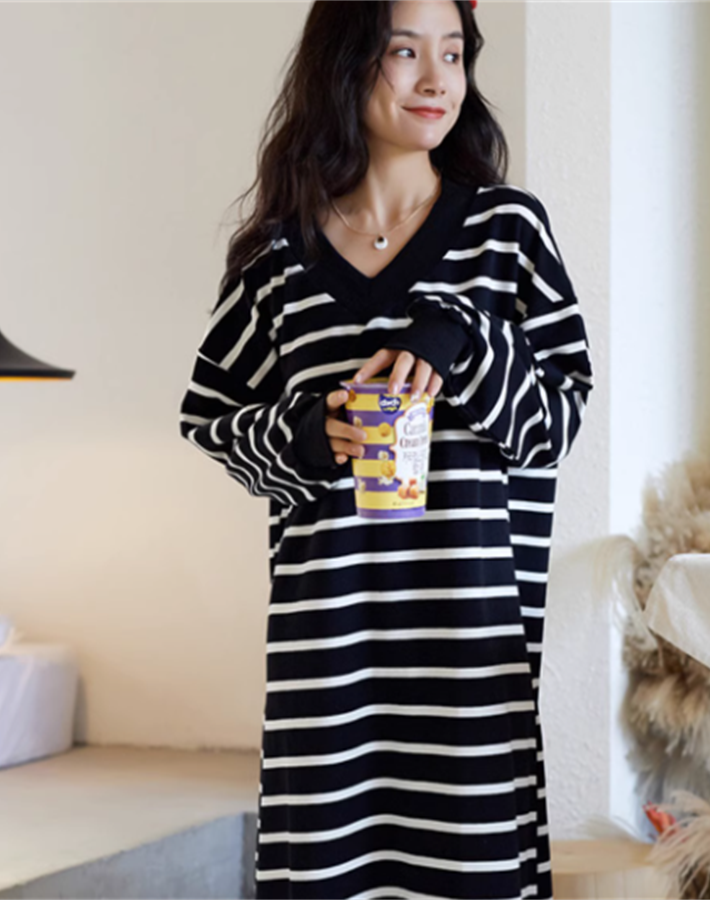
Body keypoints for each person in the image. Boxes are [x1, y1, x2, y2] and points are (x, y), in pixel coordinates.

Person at [178, 0, 593, 896]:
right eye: (405, 52)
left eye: (454, 53)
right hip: (330, 657)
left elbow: (558, 422)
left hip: (468, 654)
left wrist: (465, 338)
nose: (438, 79)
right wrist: (302, 435)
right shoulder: (278, 259)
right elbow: (210, 417)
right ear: (347, 62)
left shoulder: (508, 233)